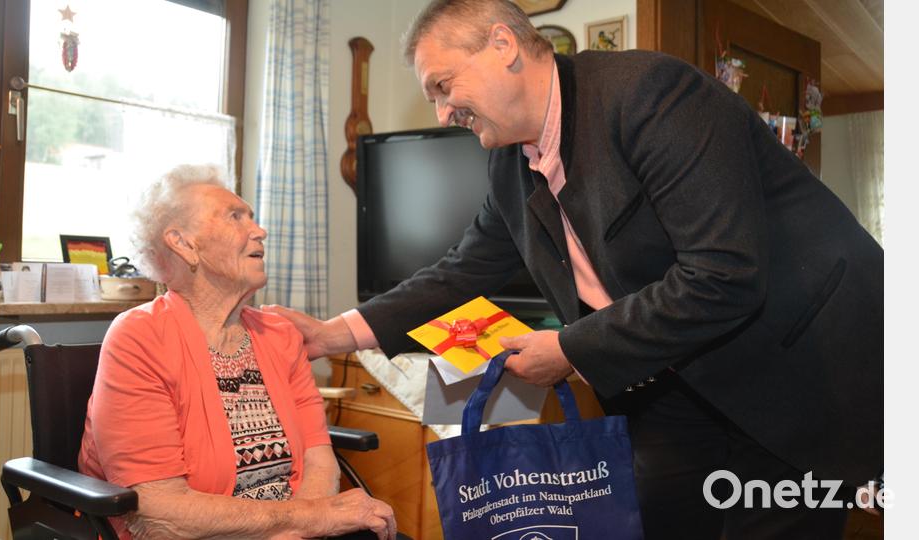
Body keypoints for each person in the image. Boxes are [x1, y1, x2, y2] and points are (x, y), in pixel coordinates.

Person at [267, 1, 883, 538]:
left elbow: (724, 272)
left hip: (797, 364)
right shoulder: (507, 164)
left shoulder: (651, 95)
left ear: (503, 44)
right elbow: (462, 271)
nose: (442, 111)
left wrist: (569, 347)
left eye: (443, 85)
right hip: (671, 375)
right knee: (651, 518)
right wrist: (334, 334)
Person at [78, 164, 397, 540]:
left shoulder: (279, 335)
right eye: (235, 217)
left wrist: (304, 525)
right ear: (183, 243)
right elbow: (160, 511)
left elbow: (318, 456)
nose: (260, 230)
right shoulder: (140, 337)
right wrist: (309, 519)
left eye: (252, 217)